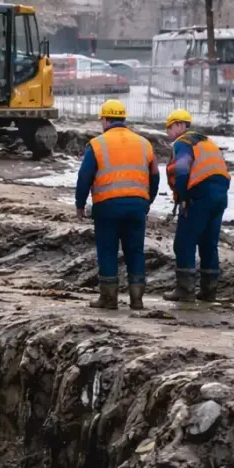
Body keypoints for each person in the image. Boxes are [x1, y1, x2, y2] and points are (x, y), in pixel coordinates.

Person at [75, 99, 160, 310]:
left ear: (105, 119)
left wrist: (80, 204)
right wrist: (148, 201)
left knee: (108, 250)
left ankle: (109, 298)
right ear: (123, 119)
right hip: (137, 205)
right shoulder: (144, 143)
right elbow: (155, 176)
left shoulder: (97, 144)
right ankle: (137, 299)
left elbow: (84, 176)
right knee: (135, 251)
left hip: (107, 206)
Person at [164, 109, 231, 303]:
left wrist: (183, 196)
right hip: (220, 195)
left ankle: (185, 291)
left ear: (178, 125)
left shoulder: (183, 142)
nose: (168, 133)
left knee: (184, 242)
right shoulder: (206, 141)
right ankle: (209, 291)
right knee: (209, 243)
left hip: (200, 195)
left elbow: (182, 169)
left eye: (169, 128)